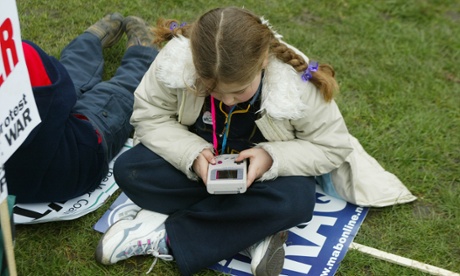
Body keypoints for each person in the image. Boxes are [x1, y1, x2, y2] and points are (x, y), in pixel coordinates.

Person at [96, 7, 354, 276]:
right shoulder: (174, 62)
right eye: (212, 90)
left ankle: (165, 236)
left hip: (265, 177)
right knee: (131, 170)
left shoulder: (297, 82)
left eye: (240, 91)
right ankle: (251, 228)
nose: (227, 100)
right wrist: (191, 155)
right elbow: (150, 117)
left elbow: (331, 147)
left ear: (263, 60)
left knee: (297, 201)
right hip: (198, 167)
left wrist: (269, 158)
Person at [4, 13, 159, 203]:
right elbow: (64, 93)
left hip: (14, 181)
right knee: (120, 91)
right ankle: (143, 53)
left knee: (69, 75)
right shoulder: (21, 54)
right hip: (72, 164)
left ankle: (90, 40)